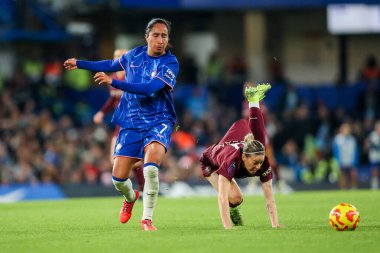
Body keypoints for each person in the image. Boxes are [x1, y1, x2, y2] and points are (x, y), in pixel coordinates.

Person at [64, 18, 179, 231]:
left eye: (164, 36)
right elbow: (109, 64)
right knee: (118, 178)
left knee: (151, 168)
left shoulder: (170, 63)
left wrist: (113, 82)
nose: (160, 40)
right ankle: (131, 196)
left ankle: (147, 220)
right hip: (131, 121)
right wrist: (79, 63)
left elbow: (149, 89)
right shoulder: (134, 55)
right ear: (147, 37)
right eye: (155, 35)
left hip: (159, 120)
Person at [199, 83, 282, 229]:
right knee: (235, 198)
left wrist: (275, 225)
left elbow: (269, 197)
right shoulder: (231, 161)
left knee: (259, 143)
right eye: (255, 162)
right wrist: (228, 227)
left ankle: (254, 101)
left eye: (260, 162)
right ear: (244, 158)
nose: (258, 167)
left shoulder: (261, 161)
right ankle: (234, 210)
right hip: (210, 162)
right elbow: (222, 197)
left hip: (237, 136)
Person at [92, 49, 145, 192]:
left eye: (121, 57)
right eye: (116, 57)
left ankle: (141, 188)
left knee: (130, 161)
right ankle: (140, 187)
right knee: (114, 161)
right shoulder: (112, 78)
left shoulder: (133, 77)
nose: (118, 60)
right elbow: (112, 98)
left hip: (133, 125)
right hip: (119, 126)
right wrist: (101, 112)